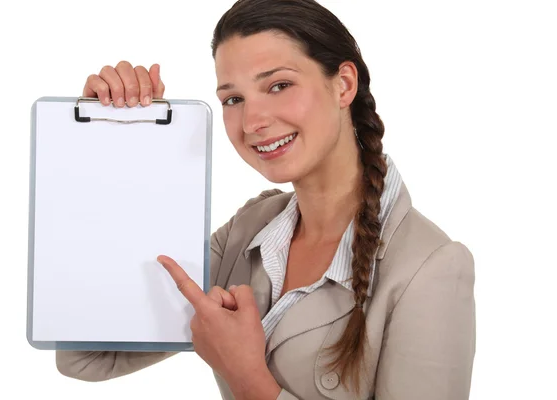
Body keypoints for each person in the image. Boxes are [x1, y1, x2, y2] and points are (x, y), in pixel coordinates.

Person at [55, 0, 476, 399]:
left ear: (343, 84)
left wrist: (249, 379)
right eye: (233, 99)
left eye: (279, 85)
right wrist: (108, 147)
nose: (253, 122)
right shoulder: (248, 233)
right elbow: (88, 357)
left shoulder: (431, 268)